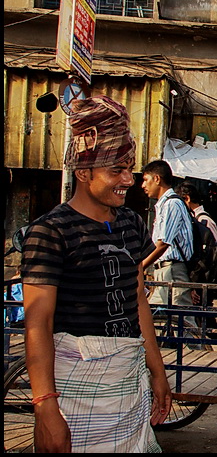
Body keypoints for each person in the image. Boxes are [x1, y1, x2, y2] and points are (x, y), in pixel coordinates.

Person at [20, 95, 171, 452]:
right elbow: (37, 323)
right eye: (116, 170)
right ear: (84, 172)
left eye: (129, 168)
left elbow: (136, 299)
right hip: (74, 391)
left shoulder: (131, 223)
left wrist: (157, 370)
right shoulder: (49, 232)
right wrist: (46, 407)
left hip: (126, 383)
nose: (127, 179)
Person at [141, 159, 196, 315]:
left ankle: (203, 338)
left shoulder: (172, 204)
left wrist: (142, 265)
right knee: (155, 317)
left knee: (182, 321)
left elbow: (163, 243)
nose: (143, 185)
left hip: (173, 270)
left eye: (146, 180)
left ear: (157, 179)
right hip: (164, 271)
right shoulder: (163, 205)